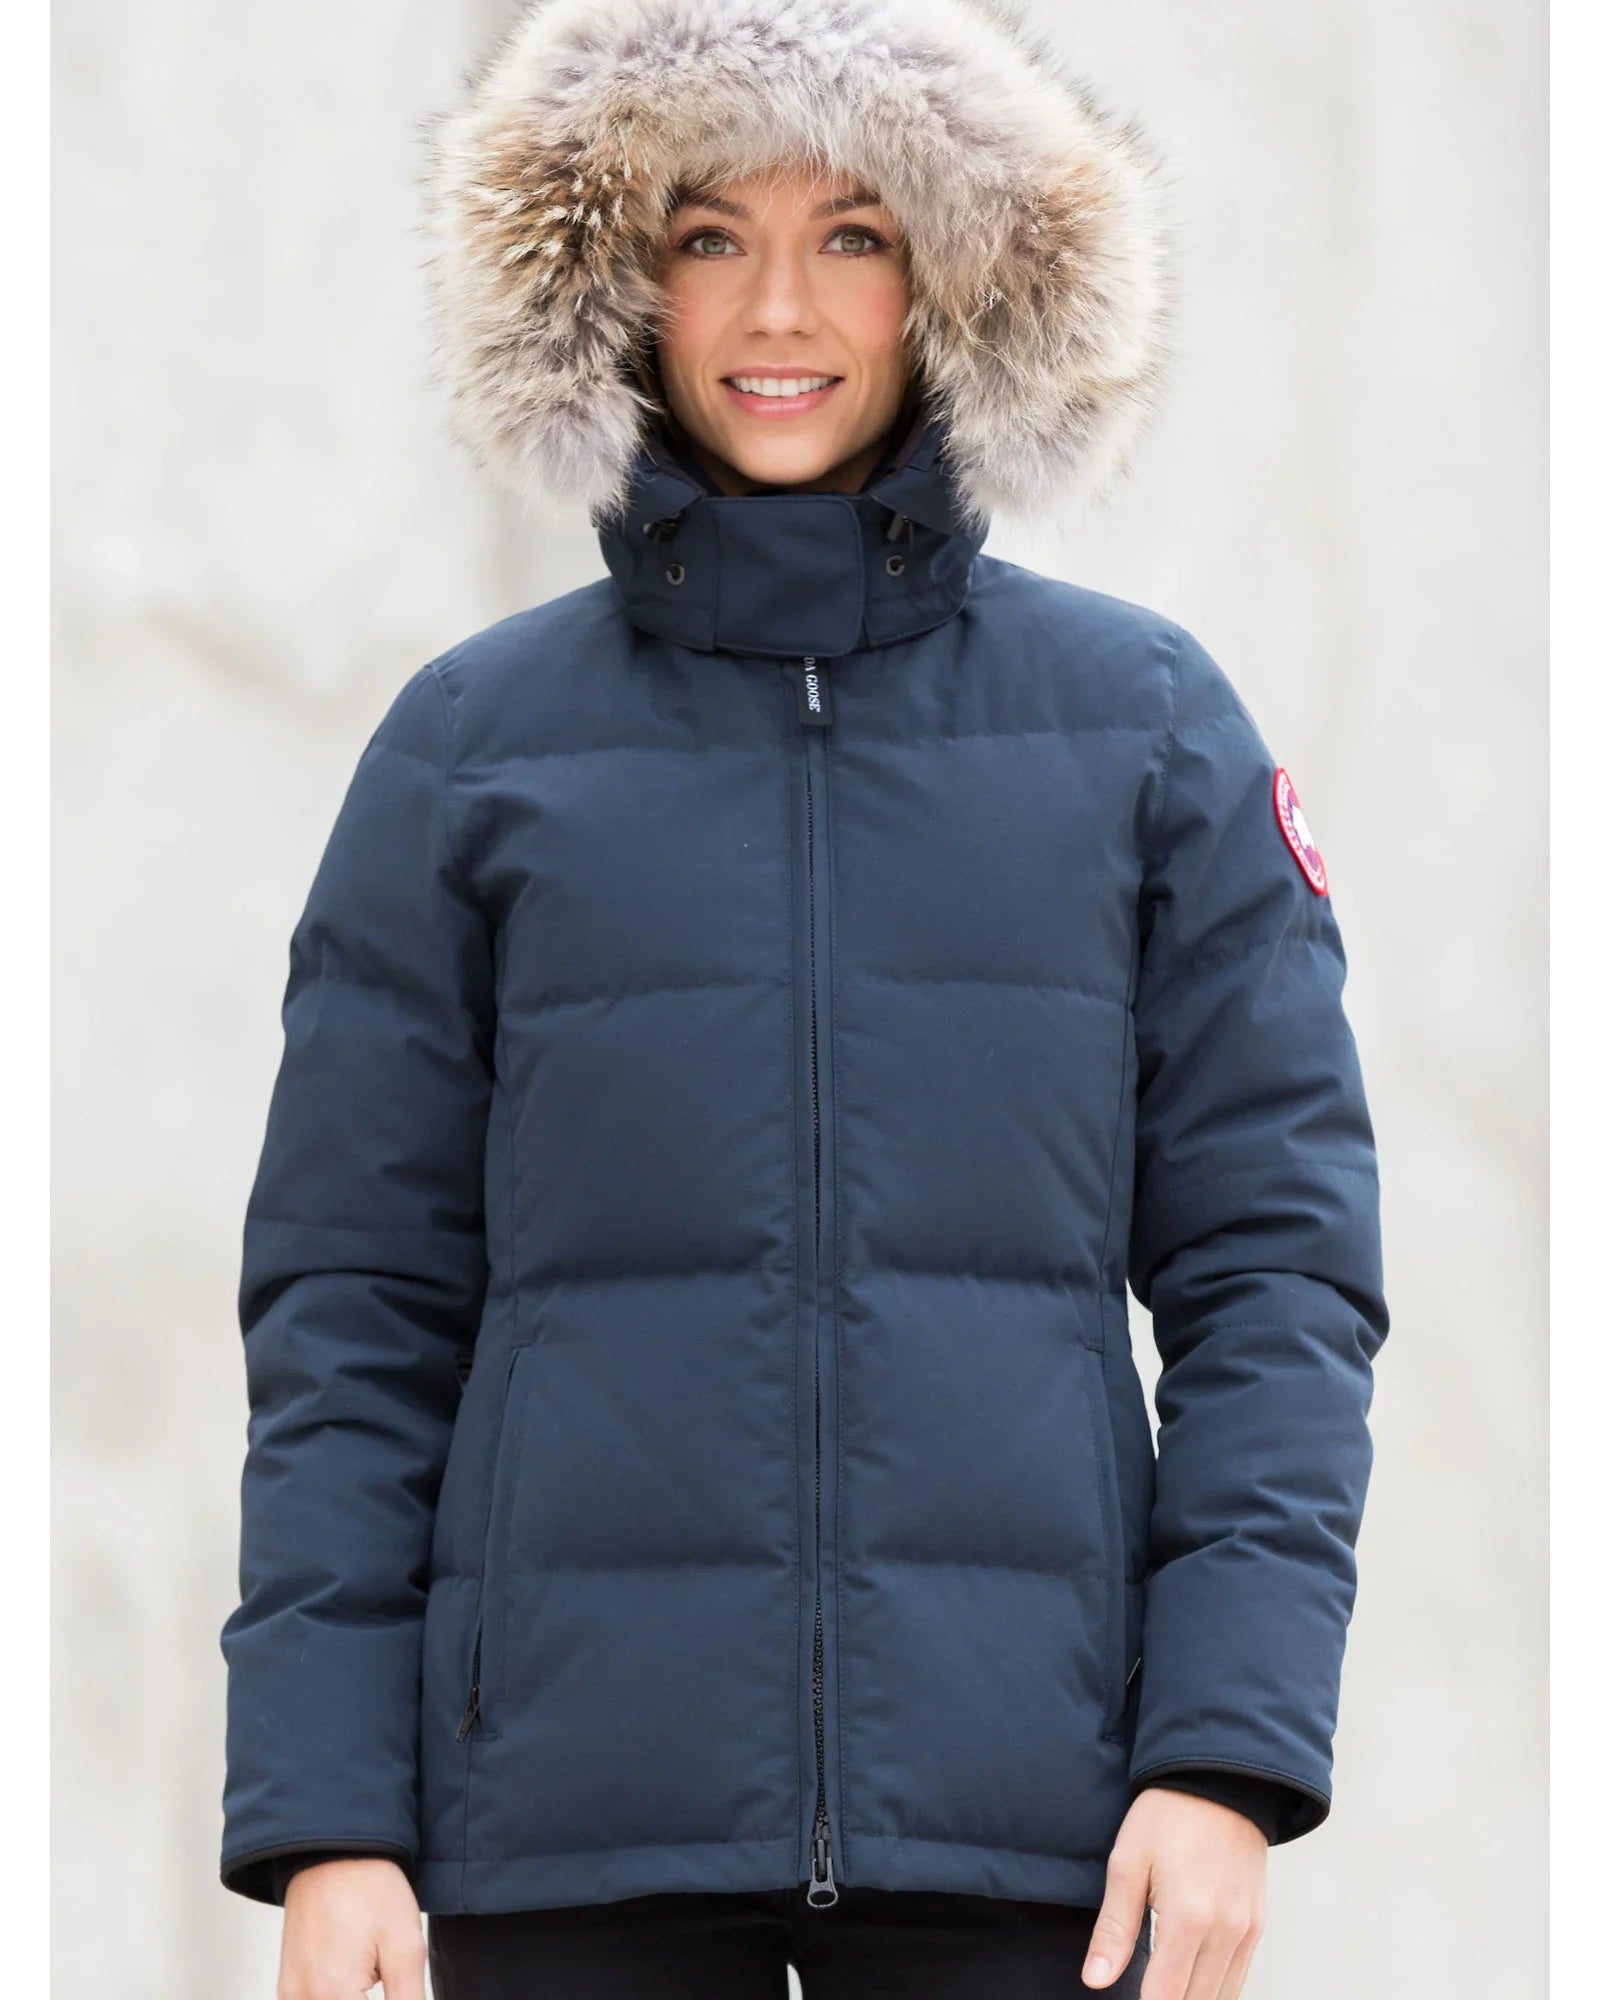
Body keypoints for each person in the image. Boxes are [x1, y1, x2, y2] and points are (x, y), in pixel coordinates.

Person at [217, 3, 1389, 1997]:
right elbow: (353, 1305)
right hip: (563, 1835)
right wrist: (331, 1818)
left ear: (954, 277)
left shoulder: (1144, 730)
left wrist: (1221, 1755)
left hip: (1036, 1829)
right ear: (615, 282)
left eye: (853, 234)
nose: (780, 308)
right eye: (709, 236)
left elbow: (1275, 1274)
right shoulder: (471, 748)